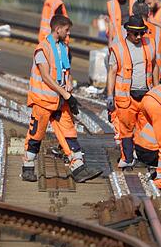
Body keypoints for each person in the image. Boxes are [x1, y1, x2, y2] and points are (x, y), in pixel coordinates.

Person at [22, 15, 102, 183]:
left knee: (69, 133)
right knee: (36, 135)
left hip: (59, 101)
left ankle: (78, 168)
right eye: (67, 30)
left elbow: (65, 70)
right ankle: (28, 167)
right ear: (58, 29)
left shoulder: (63, 48)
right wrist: (66, 95)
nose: (69, 33)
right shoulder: (42, 49)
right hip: (43, 101)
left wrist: (68, 87)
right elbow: (45, 76)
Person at [107, 15, 160, 169]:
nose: (139, 37)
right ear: (128, 32)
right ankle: (127, 158)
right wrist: (110, 95)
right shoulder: (118, 49)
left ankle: (144, 157)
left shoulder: (149, 45)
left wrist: (156, 89)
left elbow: (155, 66)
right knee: (126, 129)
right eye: (136, 34)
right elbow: (112, 72)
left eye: (141, 33)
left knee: (146, 129)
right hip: (126, 97)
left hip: (147, 96)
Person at [132, 0, 161, 81]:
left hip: (132, 75)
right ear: (148, 13)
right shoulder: (158, 32)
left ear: (133, 13)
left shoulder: (124, 29)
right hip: (155, 77)